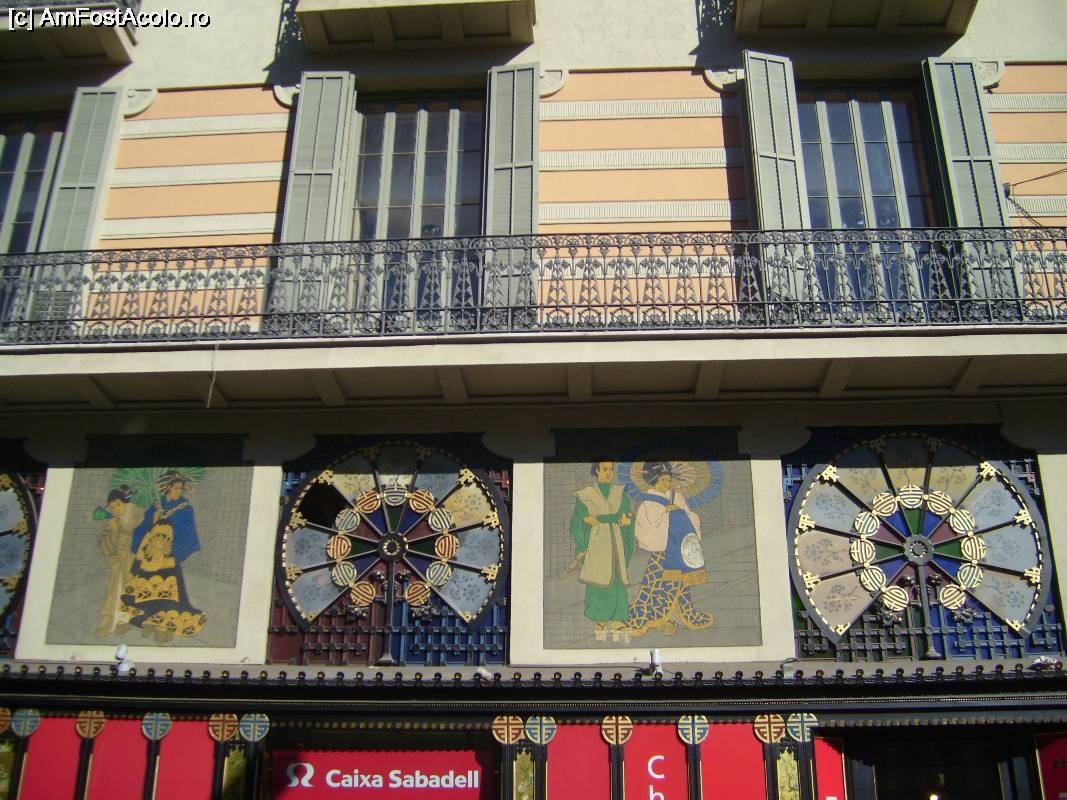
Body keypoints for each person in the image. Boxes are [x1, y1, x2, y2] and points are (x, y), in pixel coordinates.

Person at [627, 461, 713, 636]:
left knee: (679, 585)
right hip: (661, 551)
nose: (666, 483)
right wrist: (664, 513)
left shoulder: (677, 497)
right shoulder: (648, 502)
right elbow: (645, 528)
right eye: (662, 480)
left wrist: (677, 512)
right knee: (653, 584)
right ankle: (658, 619)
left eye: (668, 480)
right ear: (654, 480)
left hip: (678, 549)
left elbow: (689, 517)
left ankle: (674, 618)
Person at [119, 470, 207, 642]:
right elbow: (143, 531)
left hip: (168, 559)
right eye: (176, 488)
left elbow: (188, 534)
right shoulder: (155, 507)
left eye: (181, 489)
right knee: (144, 592)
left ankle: (163, 627)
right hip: (149, 559)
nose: (179, 492)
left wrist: (173, 555)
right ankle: (147, 622)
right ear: (167, 488)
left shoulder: (185, 508)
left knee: (168, 595)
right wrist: (155, 518)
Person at [569, 461, 635, 641]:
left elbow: (626, 515)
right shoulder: (586, 495)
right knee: (598, 580)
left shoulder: (620, 493)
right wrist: (583, 543)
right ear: (597, 471)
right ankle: (600, 620)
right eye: (605, 469)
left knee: (618, 579)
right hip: (597, 543)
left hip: (616, 543)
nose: (609, 473)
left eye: (611, 469)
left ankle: (618, 619)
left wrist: (626, 521)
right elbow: (578, 522)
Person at [94, 485, 142, 636]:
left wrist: (128, 545)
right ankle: (112, 620)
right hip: (119, 563)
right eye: (112, 507)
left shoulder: (140, 514)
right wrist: (114, 531)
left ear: (126, 502)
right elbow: (105, 546)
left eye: (118, 505)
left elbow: (145, 535)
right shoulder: (114, 521)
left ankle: (128, 619)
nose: (115, 509)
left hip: (137, 561)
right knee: (115, 590)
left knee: (133, 589)